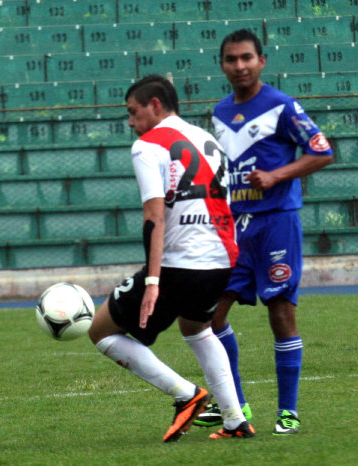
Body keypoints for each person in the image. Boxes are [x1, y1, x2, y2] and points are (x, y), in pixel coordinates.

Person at [88, 75, 255, 442]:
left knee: (100, 331)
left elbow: (154, 216)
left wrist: (152, 281)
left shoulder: (148, 145)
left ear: (155, 105)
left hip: (181, 263)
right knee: (196, 328)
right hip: (222, 259)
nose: (131, 122)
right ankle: (234, 421)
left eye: (133, 113)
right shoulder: (206, 137)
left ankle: (186, 395)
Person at [194, 29, 334, 435]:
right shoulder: (219, 113)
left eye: (246, 58)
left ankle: (287, 412)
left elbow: (322, 151)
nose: (239, 66)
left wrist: (277, 174)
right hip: (233, 227)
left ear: (261, 61)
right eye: (231, 59)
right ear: (222, 64)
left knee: (281, 314)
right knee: (210, 316)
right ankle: (235, 405)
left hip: (276, 222)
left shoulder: (281, 106)